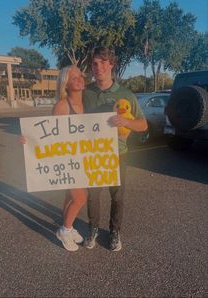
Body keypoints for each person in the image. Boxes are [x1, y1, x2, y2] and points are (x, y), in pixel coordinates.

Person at [83, 47, 148, 251]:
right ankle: (92, 228)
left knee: (117, 196)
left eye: (103, 62)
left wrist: (126, 123)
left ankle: (114, 232)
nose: (99, 67)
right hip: (92, 152)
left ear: (112, 64)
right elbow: (67, 120)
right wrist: (34, 138)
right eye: (95, 63)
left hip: (117, 153)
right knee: (92, 195)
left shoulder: (125, 94)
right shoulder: (86, 93)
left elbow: (143, 124)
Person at [21, 65, 86, 252]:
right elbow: (50, 136)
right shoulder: (62, 106)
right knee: (80, 197)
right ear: (65, 84)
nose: (80, 79)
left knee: (70, 196)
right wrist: (28, 139)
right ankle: (64, 230)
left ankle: (69, 226)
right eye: (74, 78)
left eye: (80, 76)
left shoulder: (86, 103)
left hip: (83, 158)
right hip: (67, 160)